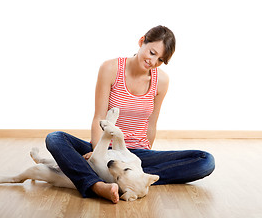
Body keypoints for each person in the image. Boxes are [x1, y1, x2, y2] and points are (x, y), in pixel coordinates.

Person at [46, 25, 215, 204]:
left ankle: (130, 178)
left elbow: (151, 123)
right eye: (152, 52)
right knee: (55, 138)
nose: (153, 61)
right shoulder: (110, 68)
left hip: (135, 156)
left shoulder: (162, 81)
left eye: (160, 60)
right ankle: (96, 184)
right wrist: (97, 153)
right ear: (142, 41)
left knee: (205, 161)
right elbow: (99, 117)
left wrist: (139, 162)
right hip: (104, 149)